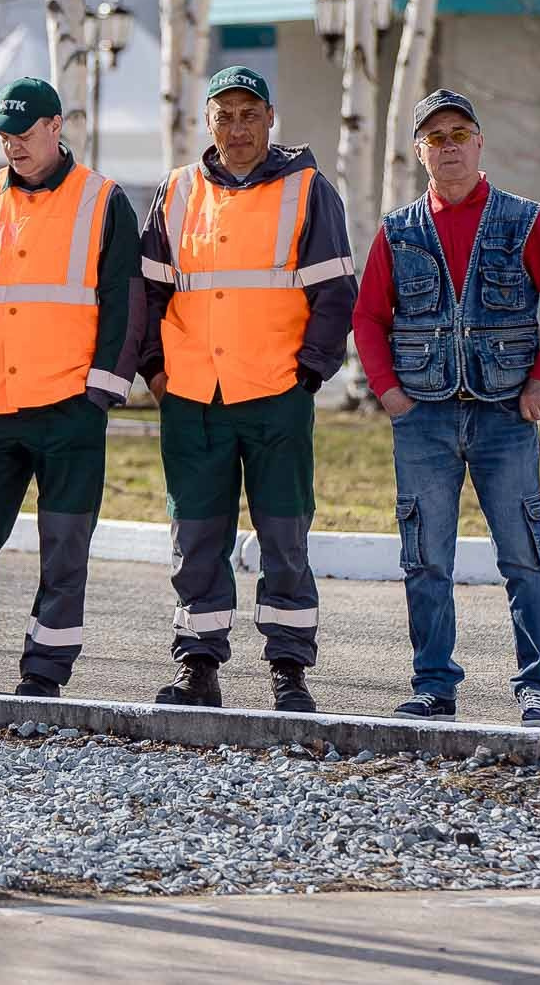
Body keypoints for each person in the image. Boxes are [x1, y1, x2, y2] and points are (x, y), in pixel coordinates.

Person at [352, 89, 540, 727]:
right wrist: (388, 391)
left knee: (523, 556)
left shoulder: (521, 220)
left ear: (480, 143)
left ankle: (536, 688)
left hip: (506, 416)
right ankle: (434, 686)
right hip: (423, 417)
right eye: (436, 137)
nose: (449, 146)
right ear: (420, 152)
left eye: (460, 133)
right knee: (425, 558)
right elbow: (368, 315)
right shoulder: (398, 231)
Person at [0, 76, 141, 698]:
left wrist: (102, 389)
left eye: (22, 134)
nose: (12, 145)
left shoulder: (103, 199)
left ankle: (45, 671)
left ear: (55, 127)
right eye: (3, 136)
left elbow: (125, 300)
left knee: (63, 549)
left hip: (69, 406)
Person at [139, 66, 357, 714]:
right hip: (192, 398)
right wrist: (155, 370)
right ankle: (198, 666)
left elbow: (336, 292)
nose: (237, 128)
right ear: (208, 123)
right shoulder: (176, 191)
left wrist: (308, 374)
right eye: (224, 115)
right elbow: (145, 291)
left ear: (270, 119)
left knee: (284, 537)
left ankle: (289, 669)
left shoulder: (308, 190)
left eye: (249, 114)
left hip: (275, 395)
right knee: (196, 537)